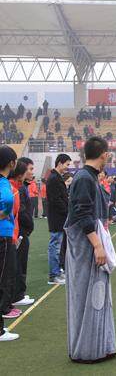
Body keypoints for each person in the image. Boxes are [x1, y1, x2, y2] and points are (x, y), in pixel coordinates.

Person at [65, 136, 116, 363]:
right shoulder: (84, 178)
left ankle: (100, 344)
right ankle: (86, 349)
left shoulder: (89, 177)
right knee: (88, 295)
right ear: (103, 154)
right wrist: (97, 245)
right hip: (86, 246)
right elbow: (82, 213)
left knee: (98, 294)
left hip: (92, 242)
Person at [0, 145, 19, 342]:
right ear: (11, 163)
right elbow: (7, 200)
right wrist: (4, 213)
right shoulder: (4, 183)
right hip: (3, 235)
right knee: (2, 280)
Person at [12, 158, 36, 307]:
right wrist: (28, 225)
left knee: (20, 262)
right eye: (30, 169)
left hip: (23, 231)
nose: (32, 172)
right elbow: (20, 212)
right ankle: (17, 295)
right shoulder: (18, 189)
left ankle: (19, 292)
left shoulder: (23, 186)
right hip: (19, 231)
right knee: (18, 263)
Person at [46, 153, 71, 285]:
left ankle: (57, 272)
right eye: (67, 164)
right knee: (55, 246)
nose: (67, 167)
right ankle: (53, 275)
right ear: (60, 163)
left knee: (58, 245)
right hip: (57, 218)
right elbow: (56, 200)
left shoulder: (56, 177)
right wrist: (67, 212)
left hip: (60, 217)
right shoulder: (53, 178)